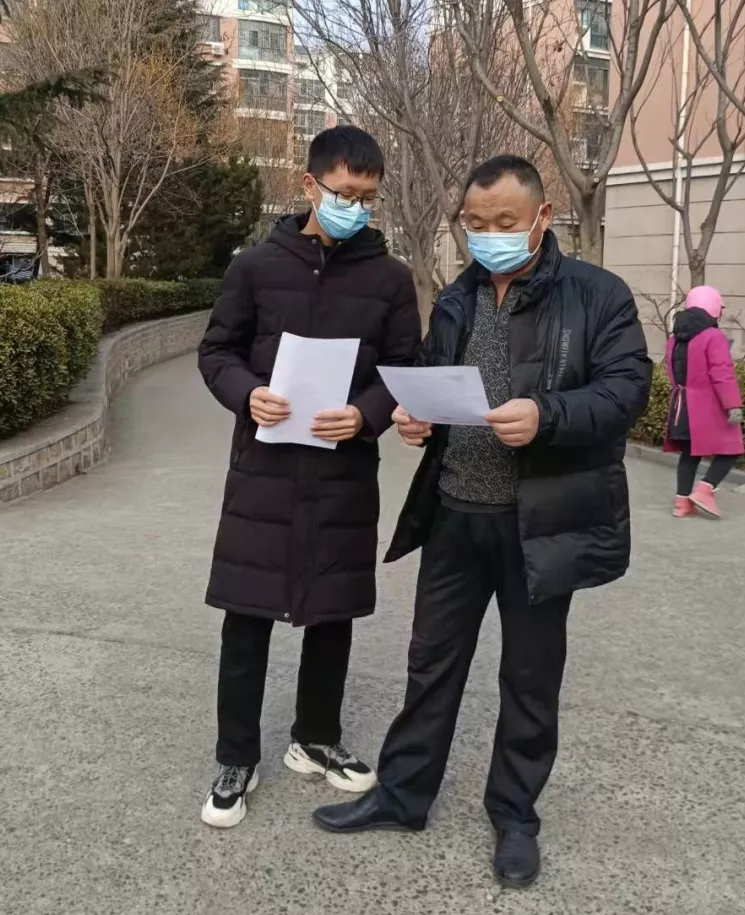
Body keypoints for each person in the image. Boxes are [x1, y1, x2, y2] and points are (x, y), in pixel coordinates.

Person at [312, 155, 653, 888]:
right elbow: (436, 376)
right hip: (454, 514)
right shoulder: (457, 297)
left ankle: (515, 816)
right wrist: (416, 419)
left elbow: (626, 389)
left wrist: (547, 413)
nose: (488, 235)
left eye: (504, 222)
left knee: (529, 677)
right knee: (430, 664)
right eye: (475, 223)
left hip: (539, 524)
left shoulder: (597, 295)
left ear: (541, 216)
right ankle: (403, 795)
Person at [197, 126, 420, 829]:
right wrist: (247, 394)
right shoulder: (255, 268)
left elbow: (403, 367)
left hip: (342, 471)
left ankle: (315, 737)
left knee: (332, 613)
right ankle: (236, 755)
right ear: (309, 184)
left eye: (367, 197)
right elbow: (217, 351)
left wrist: (365, 414)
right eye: (343, 192)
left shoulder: (390, 280)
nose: (355, 206)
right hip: (263, 471)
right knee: (246, 615)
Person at [665, 285, 744, 519]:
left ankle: (681, 503)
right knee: (732, 449)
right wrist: (733, 405)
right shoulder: (713, 336)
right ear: (713, 307)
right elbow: (722, 373)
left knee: (689, 453)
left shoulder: (674, 338)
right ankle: (705, 490)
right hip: (708, 406)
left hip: (681, 405)